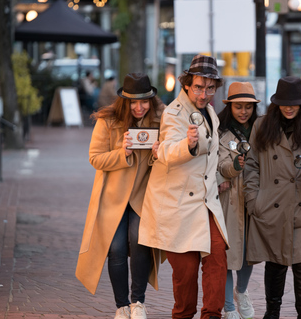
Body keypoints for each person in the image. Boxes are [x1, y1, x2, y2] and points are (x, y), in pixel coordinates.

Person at [139, 54, 229, 319]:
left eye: (210, 88)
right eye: (199, 87)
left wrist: (220, 180)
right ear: (188, 85)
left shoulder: (210, 112)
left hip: (205, 203)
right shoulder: (174, 112)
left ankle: (212, 315)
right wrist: (188, 145)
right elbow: (165, 149)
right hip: (177, 205)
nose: (204, 93)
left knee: (217, 259)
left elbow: (211, 154)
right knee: (186, 274)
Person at [75, 73, 165, 319]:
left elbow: (168, 161)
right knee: (115, 248)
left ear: (151, 100)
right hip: (112, 198)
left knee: (139, 241)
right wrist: (121, 152)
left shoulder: (161, 120)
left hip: (142, 196)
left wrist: (159, 153)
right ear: (124, 101)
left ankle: (138, 303)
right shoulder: (107, 121)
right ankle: (122, 305)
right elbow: (95, 157)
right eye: (133, 102)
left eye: (144, 101)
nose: (139, 107)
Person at [243, 76, 301, 319]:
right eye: (284, 102)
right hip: (272, 204)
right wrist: (254, 200)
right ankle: (272, 314)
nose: (289, 107)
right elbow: (251, 165)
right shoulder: (262, 126)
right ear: (276, 103)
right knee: (275, 262)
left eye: (294, 102)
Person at [217, 82, 259, 319]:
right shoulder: (220, 132)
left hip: (254, 199)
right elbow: (215, 163)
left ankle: (241, 292)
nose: (243, 111)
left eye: (248, 107)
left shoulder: (261, 131)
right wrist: (231, 169)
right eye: (238, 106)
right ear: (230, 107)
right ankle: (229, 307)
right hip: (229, 200)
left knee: (249, 253)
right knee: (229, 255)